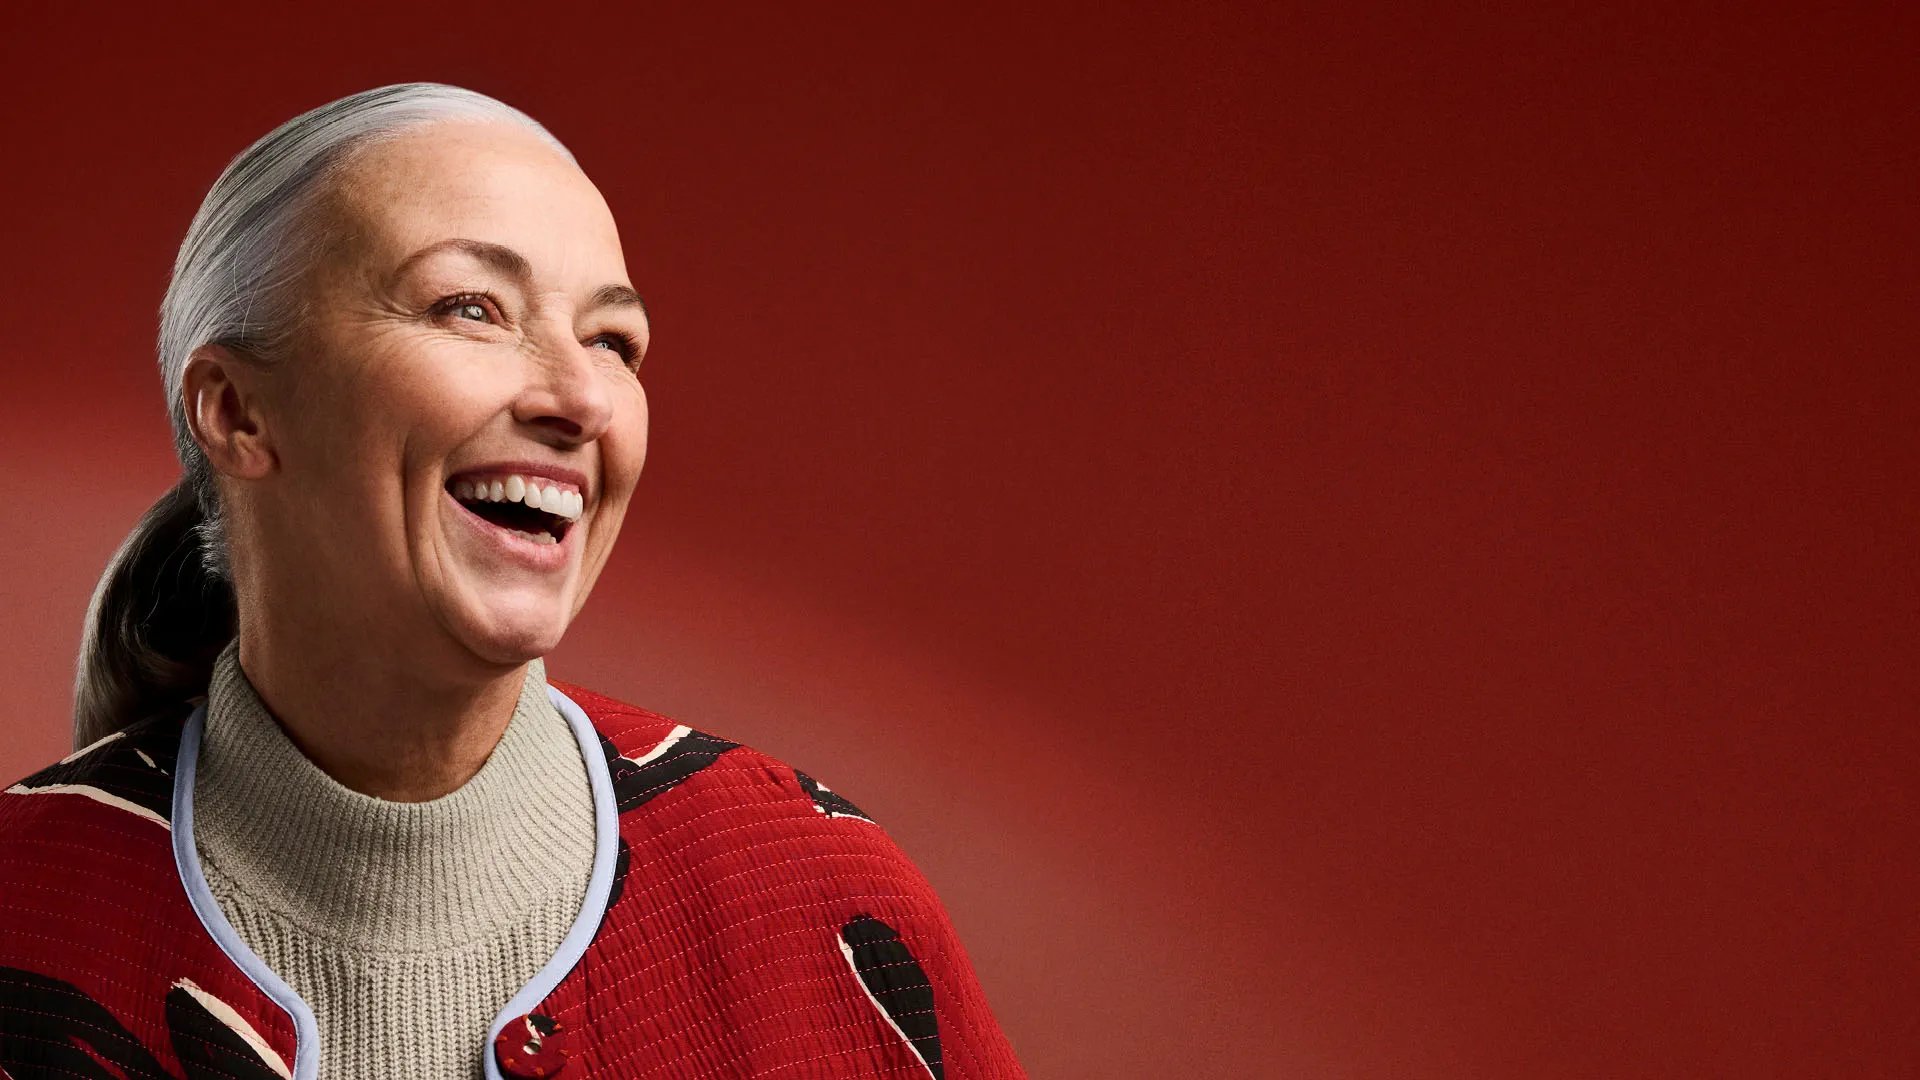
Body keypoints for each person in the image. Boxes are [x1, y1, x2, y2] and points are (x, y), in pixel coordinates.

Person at [0, 82, 1024, 1080]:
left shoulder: (817, 895)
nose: (583, 398)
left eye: (613, 340)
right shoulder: (22, 916)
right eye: (471, 308)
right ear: (236, 412)